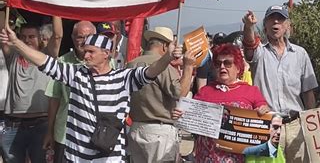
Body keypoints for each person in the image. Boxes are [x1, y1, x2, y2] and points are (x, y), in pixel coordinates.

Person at [0, 28, 179, 162]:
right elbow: (44, 62)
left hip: (110, 158)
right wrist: (16, 43)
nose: (85, 55)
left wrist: (167, 57)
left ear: (106, 54)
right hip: (77, 157)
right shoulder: (76, 73)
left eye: (91, 51)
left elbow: (151, 71)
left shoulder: (124, 77)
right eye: (85, 51)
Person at [242, 5, 318, 162]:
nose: (275, 22)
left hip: (296, 125)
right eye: (271, 18)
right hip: (267, 126)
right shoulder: (260, 52)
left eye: (280, 19)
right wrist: (249, 26)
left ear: (287, 26)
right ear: (265, 25)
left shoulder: (300, 54)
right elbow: (249, 46)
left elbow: (308, 92)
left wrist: (312, 125)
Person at [173, 44, 270, 163]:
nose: (222, 67)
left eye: (228, 63)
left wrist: (264, 111)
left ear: (238, 68)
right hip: (206, 158)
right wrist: (180, 114)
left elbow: (264, 110)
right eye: (218, 64)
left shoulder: (251, 91)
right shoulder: (205, 91)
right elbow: (189, 116)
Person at [126, 26, 195, 163]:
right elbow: (180, 93)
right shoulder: (163, 67)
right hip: (159, 132)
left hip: (136, 127)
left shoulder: (130, 65)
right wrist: (188, 67)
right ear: (165, 46)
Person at [1, 16, 62, 163]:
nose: (27, 40)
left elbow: (58, 35)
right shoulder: (13, 56)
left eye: (32, 37)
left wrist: (56, 8)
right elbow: (3, 31)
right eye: (23, 37)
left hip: (41, 125)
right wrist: (3, 4)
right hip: (12, 125)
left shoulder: (47, 57)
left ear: (41, 38)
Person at [42, 21, 96, 163]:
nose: (84, 41)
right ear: (72, 38)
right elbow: (54, 100)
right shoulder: (62, 62)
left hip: (94, 136)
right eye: (80, 37)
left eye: (89, 37)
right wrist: (49, 131)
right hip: (65, 135)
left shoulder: (108, 63)